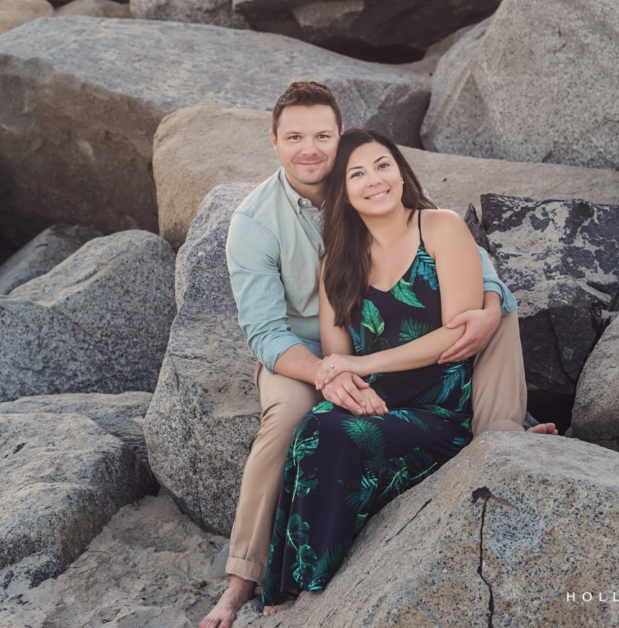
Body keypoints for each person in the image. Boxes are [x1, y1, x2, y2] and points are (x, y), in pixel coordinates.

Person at [200, 82, 556, 628]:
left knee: (497, 320)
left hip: (391, 358)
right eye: (295, 137)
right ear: (274, 141)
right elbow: (267, 333)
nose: (310, 148)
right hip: (303, 353)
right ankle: (244, 579)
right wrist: (327, 370)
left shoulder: (391, 194)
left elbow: (466, 265)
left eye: (322, 135)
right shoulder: (256, 224)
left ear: (339, 138)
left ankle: (498, 444)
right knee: (296, 419)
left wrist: (489, 303)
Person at [263, 127, 482, 610]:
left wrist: (361, 363)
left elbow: (459, 334)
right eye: (357, 174)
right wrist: (345, 382)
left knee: (338, 434)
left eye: (383, 165)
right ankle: (291, 586)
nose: (374, 180)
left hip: (441, 413)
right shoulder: (337, 263)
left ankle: (312, 586)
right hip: (375, 405)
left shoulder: (440, 227)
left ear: (401, 172)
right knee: (316, 425)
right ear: (342, 191)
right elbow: (336, 357)